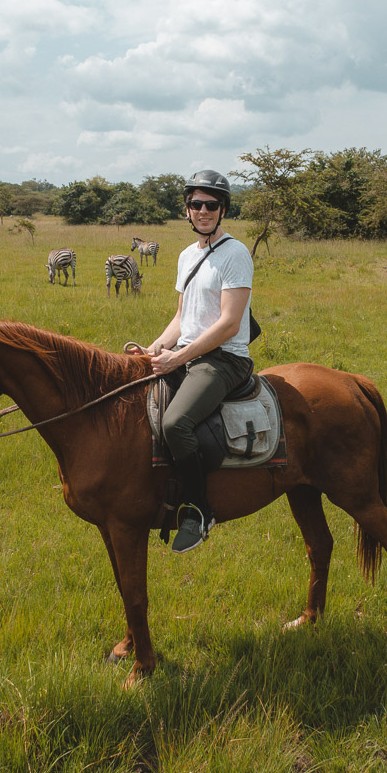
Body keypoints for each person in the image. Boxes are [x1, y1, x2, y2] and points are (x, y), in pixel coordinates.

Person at [141, 170, 254, 553]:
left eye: (211, 205)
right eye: (196, 204)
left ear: (222, 210)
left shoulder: (235, 253)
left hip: (224, 359)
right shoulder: (188, 255)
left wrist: (180, 358)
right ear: (186, 210)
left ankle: (200, 511)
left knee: (175, 423)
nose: (203, 211)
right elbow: (181, 317)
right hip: (188, 354)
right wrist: (155, 348)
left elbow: (229, 323)